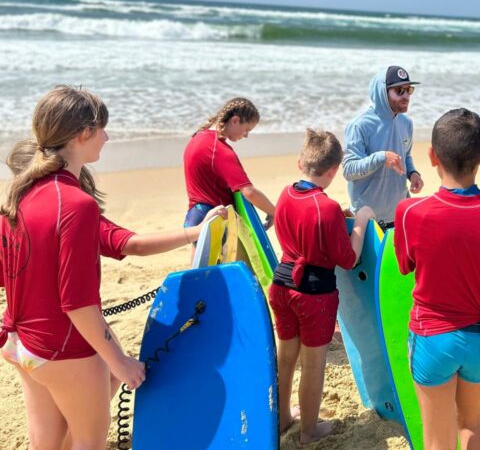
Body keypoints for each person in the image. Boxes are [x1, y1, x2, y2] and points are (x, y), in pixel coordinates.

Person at [0, 86, 225, 450]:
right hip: (63, 349)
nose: (107, 137)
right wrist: (119, 362)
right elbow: (77, 304)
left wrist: (194, 233)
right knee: (88, 442)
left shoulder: (20, 194)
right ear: (83, 133)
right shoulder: (76, 205)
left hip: (20, 343)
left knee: (46, 443)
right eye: (102, 129)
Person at [394, 108, 480, 450]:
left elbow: (405, 265)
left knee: (437, 440)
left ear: (432, 156)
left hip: (433, 337)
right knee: (471, 424)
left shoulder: (410, 212)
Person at [268, 129, 374, 445]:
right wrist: (361, 221)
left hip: (282, 284)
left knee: (286, 358)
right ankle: (309, 432)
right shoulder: (326, 207)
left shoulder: (286, 193)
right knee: (313, 364)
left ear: (301, 162)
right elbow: (349, 259)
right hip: (314, 294)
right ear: (334, 170)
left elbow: (302, 223)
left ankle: (282, 418)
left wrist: (334, 219)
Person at [343, 66, 424, 224]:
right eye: (399, 91)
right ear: (382, 92)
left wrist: (413, 173)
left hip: (399, 214)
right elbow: (349, 170)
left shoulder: (406, 123)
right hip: (367, 219)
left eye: (409, 90)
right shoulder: (359, 125)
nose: (406, 96)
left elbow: (406, 156)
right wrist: (381, 157)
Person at [183, 97, 275, 228]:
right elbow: (249, 192)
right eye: (246, 129)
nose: (246, 135)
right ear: (235, 120)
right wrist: (274, 212)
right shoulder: (219, 150)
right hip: (214, 221)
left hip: (194, 217)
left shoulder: (198, 137)